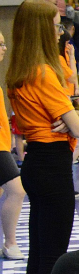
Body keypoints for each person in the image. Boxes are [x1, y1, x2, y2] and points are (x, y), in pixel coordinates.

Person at [6, 0, 79, 274]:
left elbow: (69, 119)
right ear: (42, 29)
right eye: (55, 25)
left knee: (39, 254)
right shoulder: (42, 71)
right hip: (53, 166)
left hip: (37, 162)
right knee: (52, 256)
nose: (59, 30)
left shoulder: (18, 71)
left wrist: (71, 120)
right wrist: (74, 121)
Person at [0, 31, 26, 260]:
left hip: (2, 146)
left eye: (4, 43)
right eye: (0, 44)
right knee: (16, 190)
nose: (4, 48)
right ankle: (10, 242)